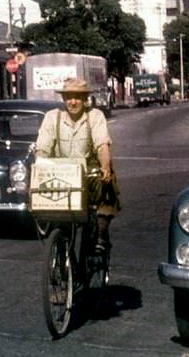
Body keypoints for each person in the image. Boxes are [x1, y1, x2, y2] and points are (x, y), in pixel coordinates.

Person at [34, 77, 119, 253]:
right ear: (63, 99)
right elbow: (42, 148)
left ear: (85, 98)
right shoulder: (52, 117)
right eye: (69, 97)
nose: (73, 102)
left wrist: (105, 166)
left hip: (88, 170)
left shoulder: (94, 116)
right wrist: (39, 166)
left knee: (107, 183)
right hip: (61, 170)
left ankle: (101, 233)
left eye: (78, 97)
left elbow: (102, 144)